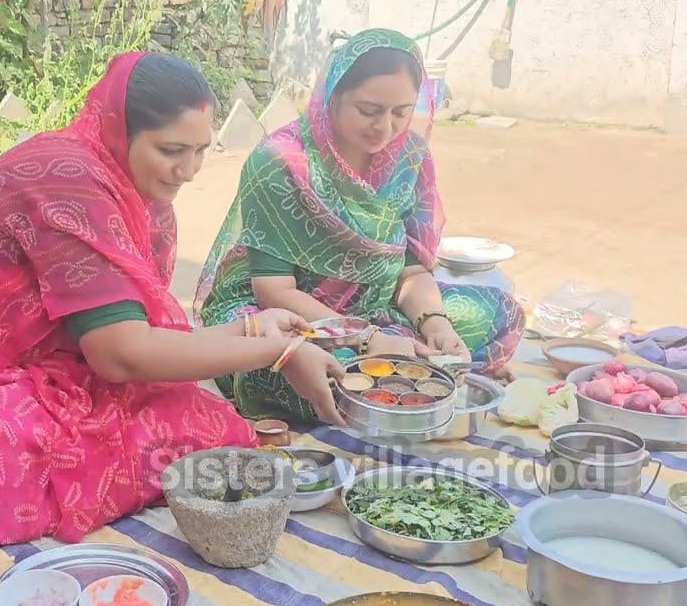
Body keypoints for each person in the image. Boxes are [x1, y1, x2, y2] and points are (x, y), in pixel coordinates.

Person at [0, 52, 346, 606]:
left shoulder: (140, 196)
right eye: (171, 150)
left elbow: (136, 335)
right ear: (120, 130)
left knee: (205, 427)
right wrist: (274, 352)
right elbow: (121, 355)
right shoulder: (68, 177)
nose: (189, 171)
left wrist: (256, 331)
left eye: (199, 151)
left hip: (53, 367)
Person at [195, 28, 524, 424]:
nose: (385, 127)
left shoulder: (411, 160)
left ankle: (404, 371)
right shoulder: (281, 161)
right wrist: (366, 338)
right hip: (288, 314)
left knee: (501, 313)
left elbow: (411, 272)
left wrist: (434, 322)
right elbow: (274, 291)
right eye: (369, 110)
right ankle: (402, 376)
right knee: (279, 365)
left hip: (376, 307)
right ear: (332, 97)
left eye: (401, 112)